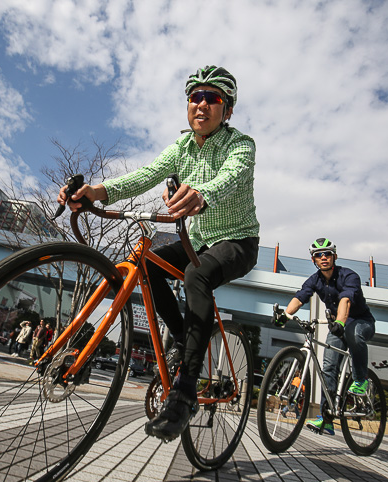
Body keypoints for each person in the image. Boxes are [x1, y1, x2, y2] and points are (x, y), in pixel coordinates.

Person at [58, 65, 259, 441]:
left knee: (197, 276)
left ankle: (185, 388)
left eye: (213, 98)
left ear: (227, 110)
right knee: (146, 264)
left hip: (237, 241)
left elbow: (230, 176)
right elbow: (143, 175)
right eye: (195, 97)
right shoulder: (180, 148)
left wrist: (202, 194)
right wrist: (96, 193)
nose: (202, 104)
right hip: (195, 241)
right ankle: (183, 337)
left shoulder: (241, 144)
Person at [275, 238, 375, 436]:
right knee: (328, 367)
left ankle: (361, 379)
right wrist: (285, 315)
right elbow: (300, 296)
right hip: (337, 326)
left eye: (327, 254)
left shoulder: (349, 276)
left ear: (334, 257)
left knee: (353, 333)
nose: (323, 258)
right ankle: (327, 420)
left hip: (361, 322)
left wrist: (340, 322)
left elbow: (345, 299)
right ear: (313, 260)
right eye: (318, 255)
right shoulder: (315, 279)